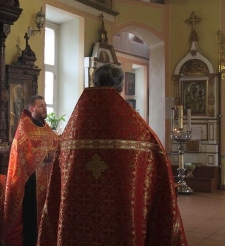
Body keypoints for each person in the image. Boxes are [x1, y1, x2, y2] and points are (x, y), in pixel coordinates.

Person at [38, 64, 187, 245]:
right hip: (121, 219)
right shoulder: (138, 132)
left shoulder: (72, 130)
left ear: (94, 81)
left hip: (77, 220)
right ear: (121, 86)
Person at [1, 95, 59, 246]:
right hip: (30, 183)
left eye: (45, 105)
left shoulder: (46, 127)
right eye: (41, 106)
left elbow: (56, 144)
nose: (45, 108)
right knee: (31, 219)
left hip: (47, 182)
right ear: (32, 109)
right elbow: (22, 154)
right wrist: (46, 155)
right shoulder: (24, 128)